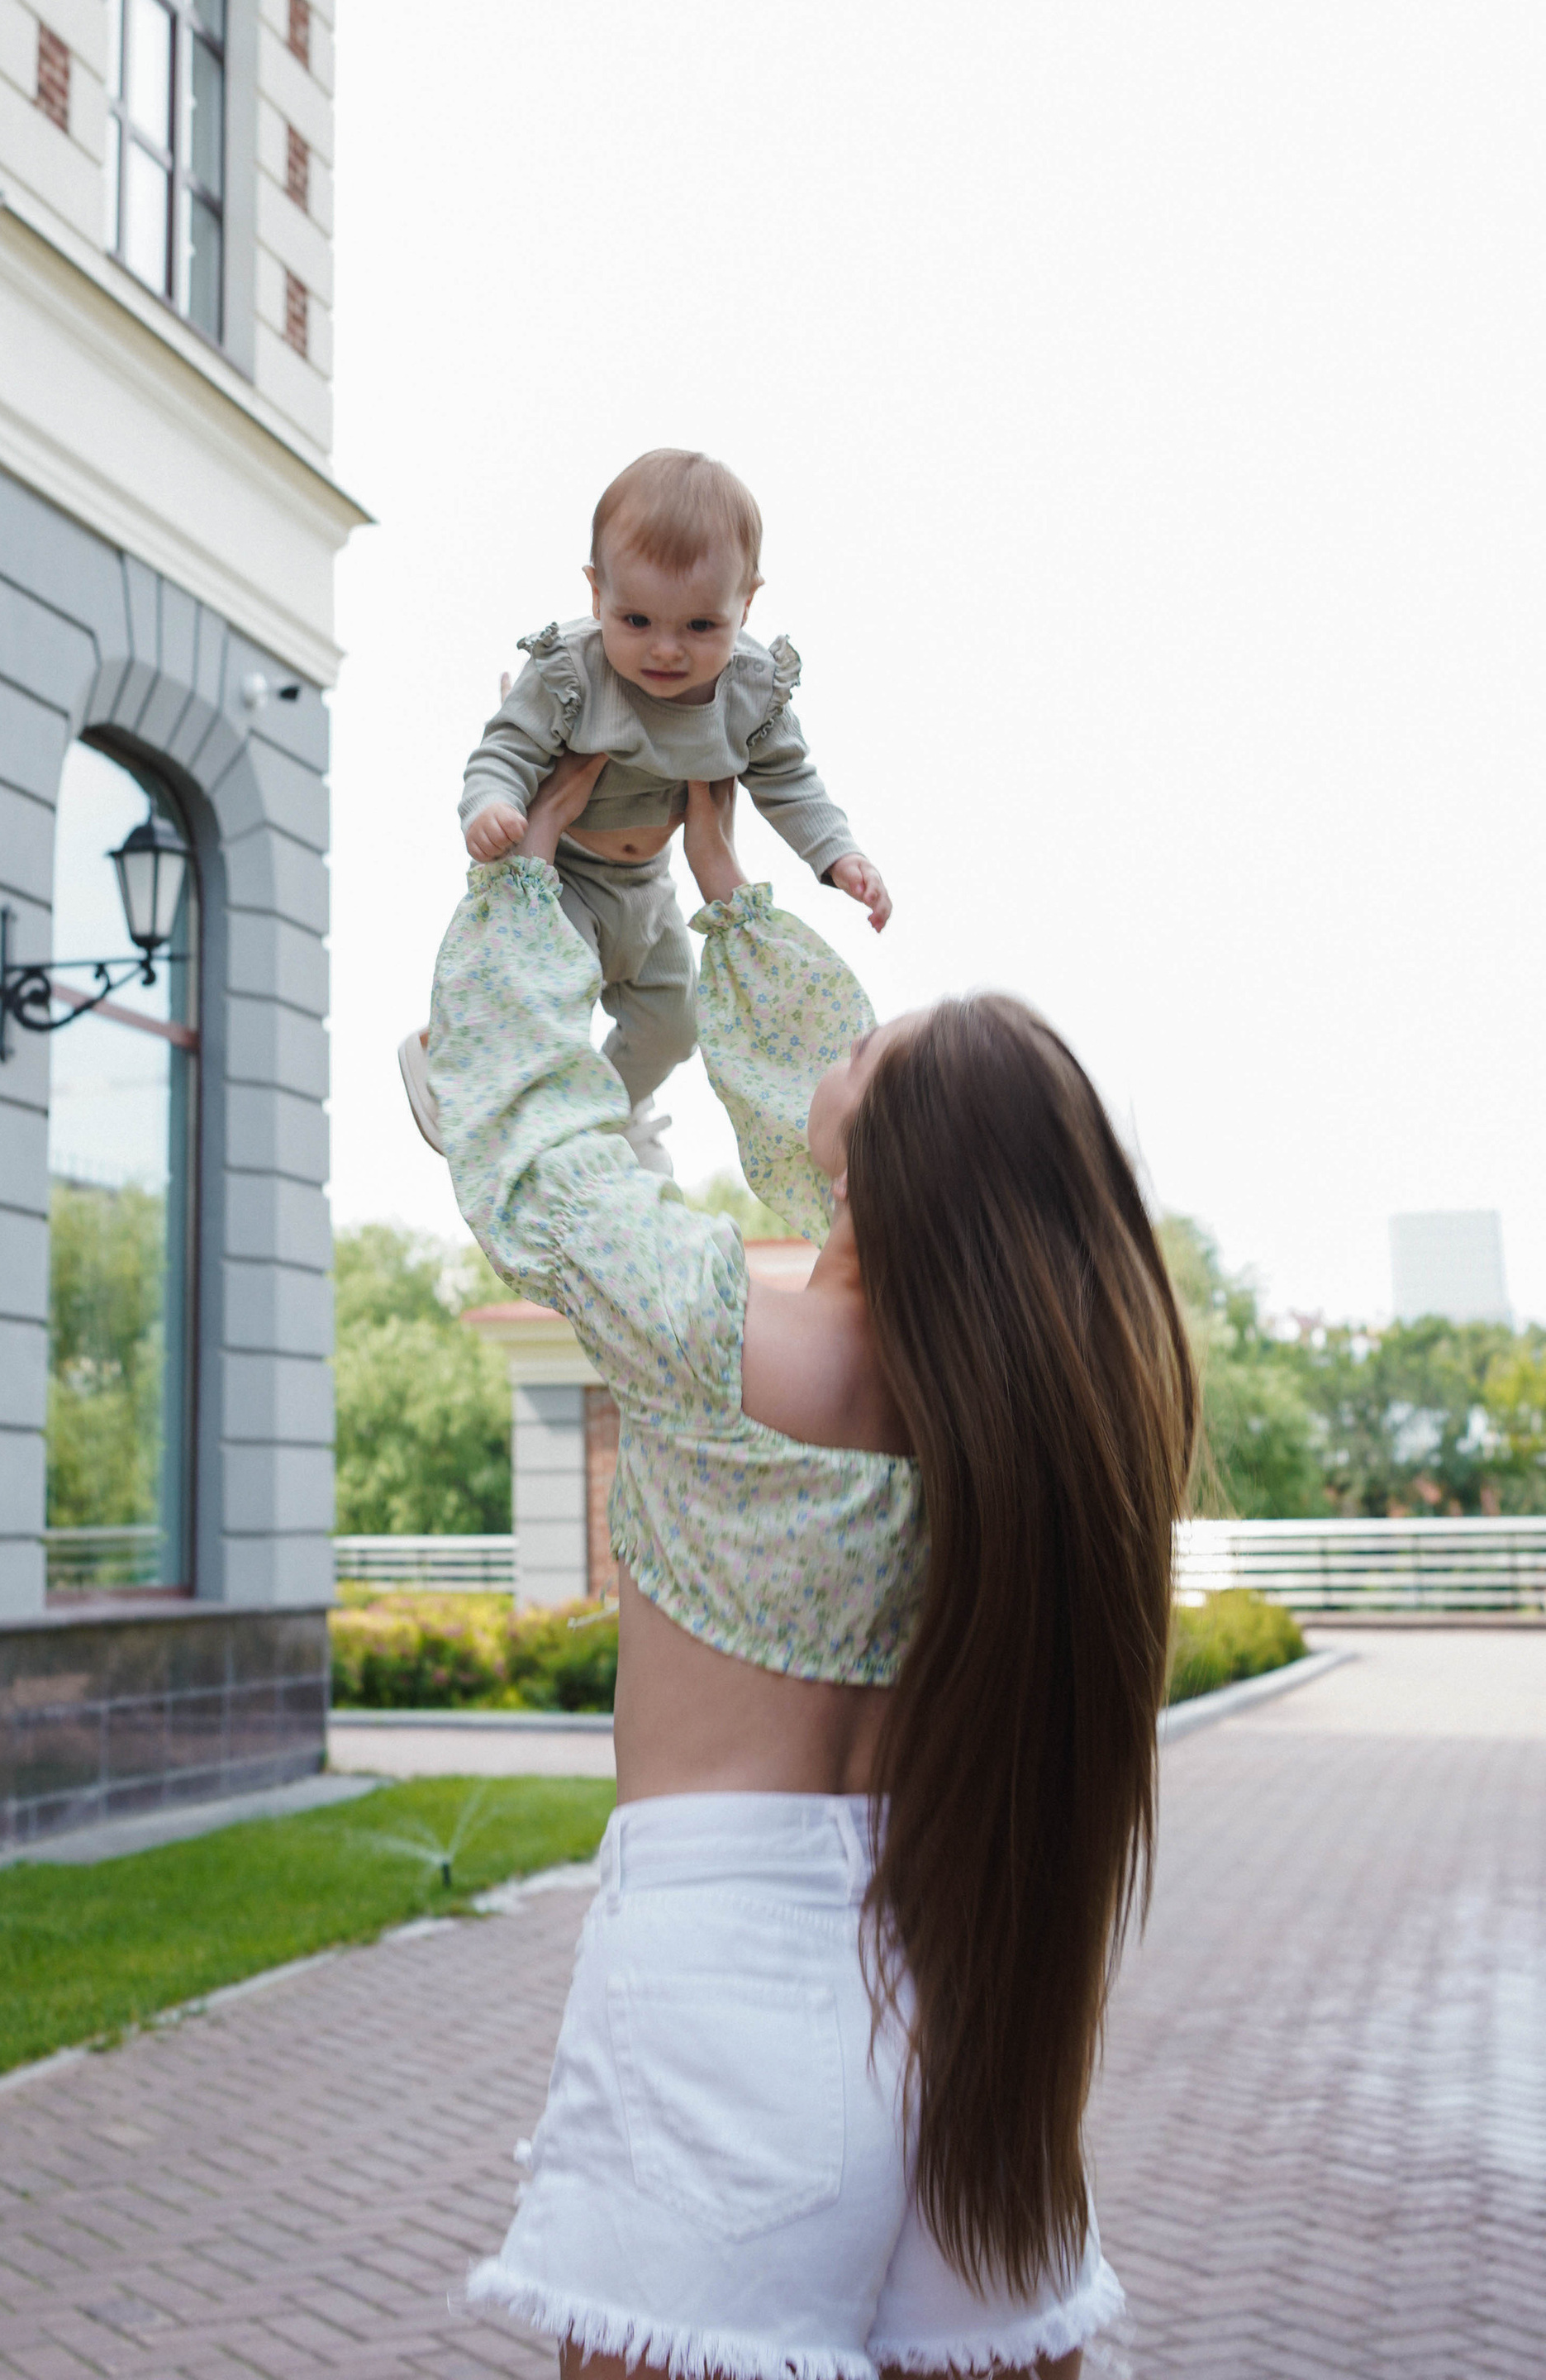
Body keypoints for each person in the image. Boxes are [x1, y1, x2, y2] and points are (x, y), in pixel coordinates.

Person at [429, 752, 1198, 2380]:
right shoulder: (1009, 1419)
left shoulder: (720, 1337)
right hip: (961, 1992)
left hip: (723, 1992)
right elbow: (820, 1130)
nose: (830, 1049)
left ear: (880, 1165)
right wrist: (721, 892)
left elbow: (531, 1140)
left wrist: (518, 878)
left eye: (861, 1049)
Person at [399, 448, 889, 1177]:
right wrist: (492, 806)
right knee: (545, 1000)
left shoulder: (752, 691)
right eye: (636, 619)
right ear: (596, 594)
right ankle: (448, 1047)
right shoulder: (572, 670)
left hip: (652, 889)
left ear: (745, 605)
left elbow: (791, 782)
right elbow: (504, 748)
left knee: (674, 1025)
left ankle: (612, 1113)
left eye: (700, 626)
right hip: (564, 876)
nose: (665, 650)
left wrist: (838, 854)